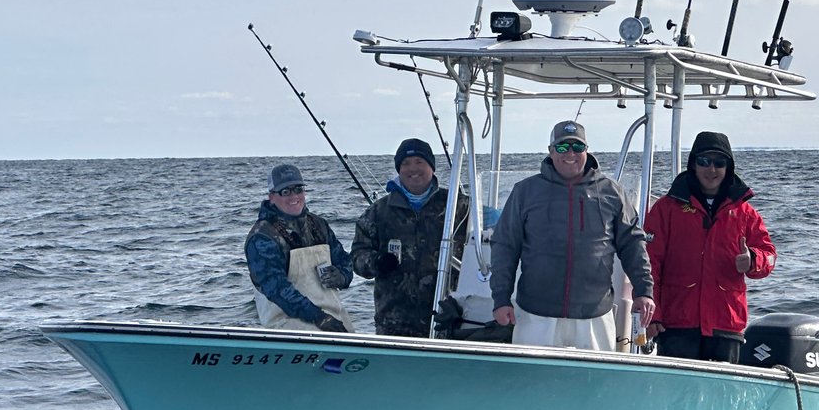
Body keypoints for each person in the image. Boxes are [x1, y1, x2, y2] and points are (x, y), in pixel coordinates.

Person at [489, 120, 655, 351]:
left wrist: (644, 291)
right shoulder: (525, 191)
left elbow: (633, 245)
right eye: (562, 147)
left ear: (587, 151)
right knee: (531, 384)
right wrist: (501, 299)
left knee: (594, 385)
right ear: (550, 151)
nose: (570, 154)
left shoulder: (611, 192)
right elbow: (505, 246)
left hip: (594, 316)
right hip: (536, 316)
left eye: (577, 147)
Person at [643, 130, 775, 363]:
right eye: (704, 161)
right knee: (679, 396)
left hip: (726, 325)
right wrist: (654, 315)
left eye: (719, 163)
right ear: (693, 164)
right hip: (677, 325)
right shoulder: (666, 209)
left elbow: (769, 256)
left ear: (728, 167)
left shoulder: (745, 213)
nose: (711, 170)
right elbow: (648, 264)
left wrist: (753, 260)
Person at [351, 138, 470, 337]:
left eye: (419, 162)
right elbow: (357, 256)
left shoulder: (459, 206)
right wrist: (376, 263)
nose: (412, 168)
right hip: (394, 323)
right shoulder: (378, 212)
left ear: (431, 166)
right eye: (405, 163)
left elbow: (484, 247)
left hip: (450, 318)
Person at [244, 163, 354, 332]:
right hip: (287, 326)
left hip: (334, 318)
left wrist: (342, 276)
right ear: (271, 196)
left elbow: (344, 260)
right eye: (285, 192)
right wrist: (318, 317)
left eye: (298, 189)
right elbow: (277, 289)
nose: (293, 196)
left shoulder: (319, 225)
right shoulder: (262, 237)